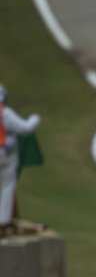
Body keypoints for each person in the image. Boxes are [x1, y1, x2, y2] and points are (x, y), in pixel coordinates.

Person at [0, 84, 42, 237]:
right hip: (5, 153)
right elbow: (25, 128)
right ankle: (3, 222)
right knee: (7, 185)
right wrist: (35, 119)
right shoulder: (5, 113)